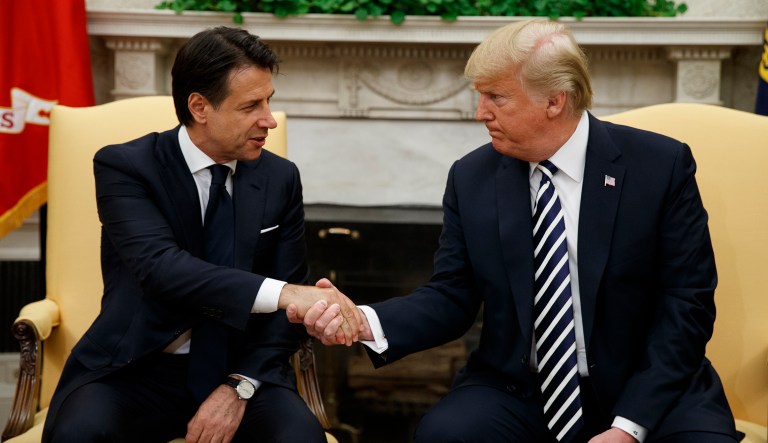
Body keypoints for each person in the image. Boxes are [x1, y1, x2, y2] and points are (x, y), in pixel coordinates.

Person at [290, 19, 737, 443]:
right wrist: (363, 321)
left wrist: (628, 427)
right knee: (445, 434)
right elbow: (451, 295)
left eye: (496, 97)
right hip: (521, 389)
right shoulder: (472, 177)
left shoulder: (659, 166)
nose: (480, 113)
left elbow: (687, 304)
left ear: (554, 101)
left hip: (648, 385)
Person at [42, 26, 361, 443]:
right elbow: (162, 269)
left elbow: (285, 318)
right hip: (136, 367)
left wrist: (238, 386)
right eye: (251, 105)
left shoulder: (280, 177)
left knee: (300, 437)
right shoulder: (127, 167)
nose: (268, 119)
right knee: (79, 434)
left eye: (269, 101)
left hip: (240, 368)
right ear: (199, 107)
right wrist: (286, 293)